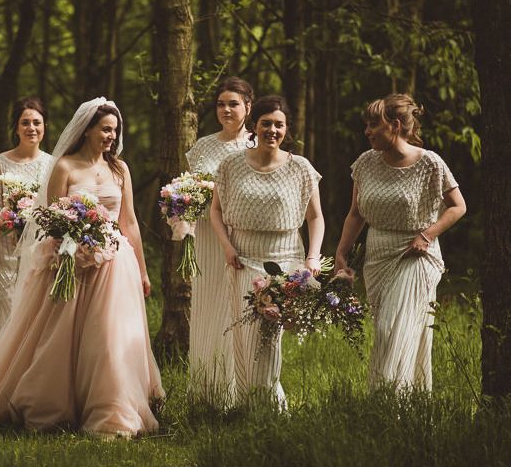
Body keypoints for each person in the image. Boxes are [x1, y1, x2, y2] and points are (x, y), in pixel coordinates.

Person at [0, 97, 163, 437]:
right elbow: (48, 219)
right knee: (62, 337)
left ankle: (112, 411)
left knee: (108, 336)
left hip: (115, 264)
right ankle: (57, 405)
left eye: (114, 130)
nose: (111, 136)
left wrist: (142, 270)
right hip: (71, 259)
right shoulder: (65, 167)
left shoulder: (120, 169)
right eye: (105, 129)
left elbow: (129, 222)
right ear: (87, 131)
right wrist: (70, 243)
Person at [334, 94, 466, 390]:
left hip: (416, 255)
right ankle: (410, 399)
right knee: (394, 330)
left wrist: (427, 235)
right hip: (378, 256)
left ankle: (388, 400)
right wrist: (341, 253)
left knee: (391, 329)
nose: (367, 131)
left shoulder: (430, 163)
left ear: (394, 125)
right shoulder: (365, 164)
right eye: (366, 125)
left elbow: (458, 206)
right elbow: (356, 214)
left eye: (373, 125)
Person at [211, 95, 324, 406]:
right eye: (266, 124)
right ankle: (247, 401)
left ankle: (269, 405)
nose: (272, 130)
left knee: (269, 332)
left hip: (285, 258)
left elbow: (315, 217)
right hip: (242, 258)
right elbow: (216, 212)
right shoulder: (231, 165)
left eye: (279, 125)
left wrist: (313, 256)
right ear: (254, 126)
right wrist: (227, 246)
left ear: (286, 129)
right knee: (245, 336)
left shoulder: (300, 167)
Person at [185, 76, 253, 398]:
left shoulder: (257, 144)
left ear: (248, 107)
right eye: (221, 104)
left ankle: (239, 389)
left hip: (241, 237)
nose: (226, 110)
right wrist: (184, 198)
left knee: (236, 307)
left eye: (233, 104)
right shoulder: (202, 146)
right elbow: (190, 186)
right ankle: (207, 391)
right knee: (208, 305)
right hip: (207, 239)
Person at [0, 97, 52, 348]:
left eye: (37, 122)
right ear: (16, 127)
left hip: (39, 251)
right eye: (25, 122)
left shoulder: (52, 164)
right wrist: (8, 221)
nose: (31, 128)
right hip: (6, 250)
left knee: (34, 319)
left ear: (45, 126)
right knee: (6, 315)